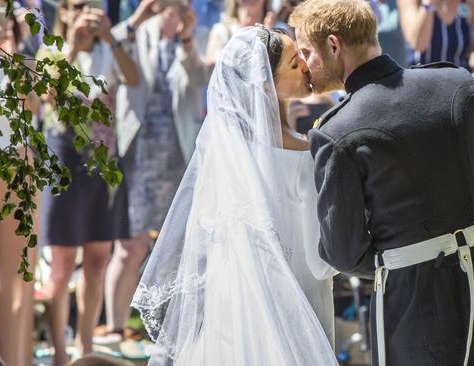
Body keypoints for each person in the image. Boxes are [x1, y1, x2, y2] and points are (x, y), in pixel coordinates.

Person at [289, 0, 474, 365]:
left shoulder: (335, 131)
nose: (305, 65)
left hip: (416, 305)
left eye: (305, 52)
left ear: (333, 45)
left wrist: (402, 259)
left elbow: (343, 252)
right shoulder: (458, 84)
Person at [131, 25, 337, 365]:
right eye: (292, 61)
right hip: (300, 298)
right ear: (264, 84)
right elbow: (320, 259)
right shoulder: (307, 155)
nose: (304, 63)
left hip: (233, 301)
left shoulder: (225, 154)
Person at [101, 0, 211, 344]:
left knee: (177, 245)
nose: (175, 7)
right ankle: (116, 326)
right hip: (138, 154)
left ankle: (168, 328)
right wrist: (139, 16)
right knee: (130, 246)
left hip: (178, 155)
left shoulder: (195, 36)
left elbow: (199, 78)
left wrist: (188, 39)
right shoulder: (139, 31)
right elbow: (110, 51)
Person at [37, 0, 139, 364]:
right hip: (64, 164)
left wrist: (109, 38)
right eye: (78, 5)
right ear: (63, 11)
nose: (86, 13)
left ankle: (86, 348)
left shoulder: (108, 49)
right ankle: (61, 351)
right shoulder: (52, 49)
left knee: (98, 259)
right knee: (62, 266)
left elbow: (135, 78)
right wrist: (75, 45)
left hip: (104, 168)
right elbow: (46, 92)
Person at [0, 3, 38, 365]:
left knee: (20, 278)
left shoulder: (23, 63)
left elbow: (35, 105)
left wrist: (15, 49)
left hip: (20, 166)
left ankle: (16, 359)